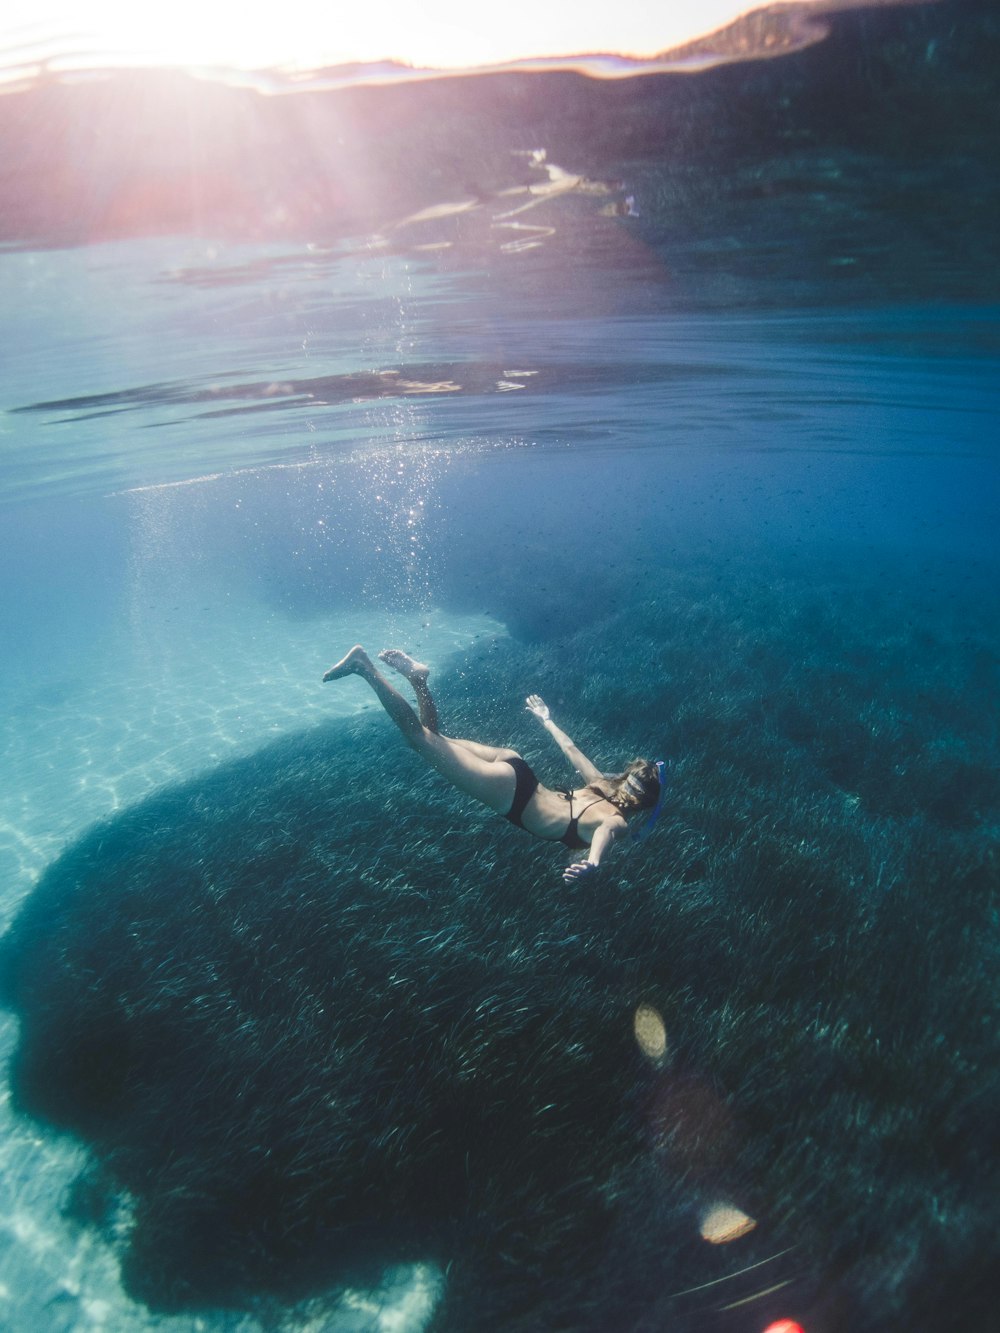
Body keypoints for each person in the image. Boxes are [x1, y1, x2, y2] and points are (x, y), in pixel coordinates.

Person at [323, 646, 664, 881]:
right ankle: (364, 667)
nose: (627, 790)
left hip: (516, 766)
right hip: (510, 792)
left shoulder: (603, 786)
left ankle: (418, 679)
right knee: (417, 738)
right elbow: (605, 833)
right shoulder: (616, 820)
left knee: (431, 737)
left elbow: (572, 749)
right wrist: (592, 863)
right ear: (640, 803)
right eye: (633, 786)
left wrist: (547, 719)